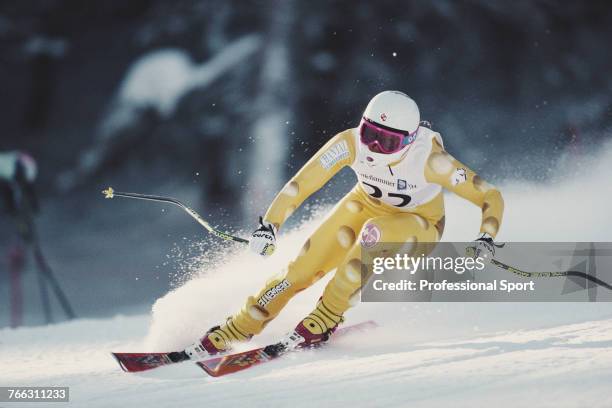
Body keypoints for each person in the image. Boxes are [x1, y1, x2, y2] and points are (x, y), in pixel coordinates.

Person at [183, 91, 504, 359]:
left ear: (410, 139)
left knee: (372, 236)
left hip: (419, 224)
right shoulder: (349, 143)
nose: (374, 147)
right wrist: (270, 225)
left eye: (387, 142)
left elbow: (489, 195)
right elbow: (302, 184)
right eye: (370, 134)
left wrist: (485, 238)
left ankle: (325, 318)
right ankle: (238, 328)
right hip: (364, 206)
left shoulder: (431, 160)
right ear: (361, 125)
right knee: (300, 270)